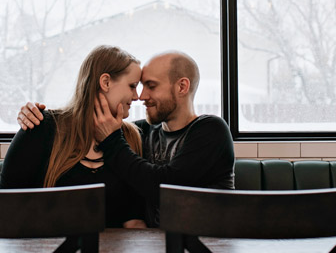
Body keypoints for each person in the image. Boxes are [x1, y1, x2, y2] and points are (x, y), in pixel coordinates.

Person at [18, 50, 235, 227]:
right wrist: (34, 113)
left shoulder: (211, 130)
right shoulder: (142, 133)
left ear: (181, 87)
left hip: (208, 243)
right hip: (154, 245)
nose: (140, 96)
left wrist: (112, 140)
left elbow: (166, 189)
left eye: (151, 86)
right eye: (135, 86)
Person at [0, 44, 147, 228]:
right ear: (106, 82)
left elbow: (133, 218)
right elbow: (6, 204)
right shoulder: (41, 127)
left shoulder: (132, 137)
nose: (137, 96)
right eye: (132, 86)